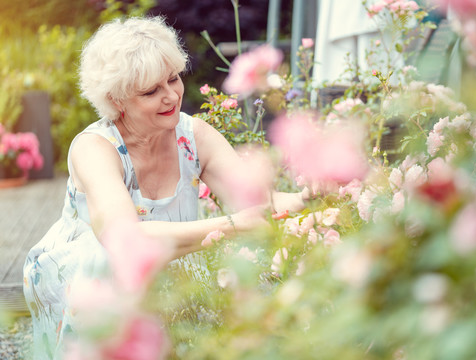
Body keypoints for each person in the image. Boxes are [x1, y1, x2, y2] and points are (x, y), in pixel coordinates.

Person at [23, 16, 307, 359]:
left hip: (171, 260)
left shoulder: (194, 136)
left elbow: (258, 201)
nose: (171, 95)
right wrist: (232, 226)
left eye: (173, 79)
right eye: (150, 91)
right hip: (91, 276)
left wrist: (312, 196)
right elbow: (123, 240)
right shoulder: (95, 148)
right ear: (117, 100)